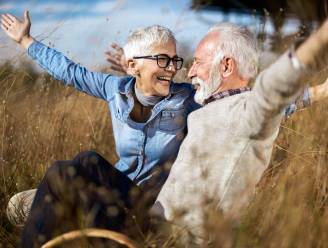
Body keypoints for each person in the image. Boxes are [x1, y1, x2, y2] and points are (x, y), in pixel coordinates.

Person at [4, 11, 321, 230]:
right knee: (26, 200)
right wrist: (27, 42)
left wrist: (317, 92)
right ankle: (53, 207)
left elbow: (258, 103)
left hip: (150, 206)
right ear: (133, 65)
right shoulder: (115, 89)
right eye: (163, 60)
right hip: (115, 187)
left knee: (73, 170)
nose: (175, 69)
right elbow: (70, 72)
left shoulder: (188, 100)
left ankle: (60, 207)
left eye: (177, 60)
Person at [153, 21, 328, 246]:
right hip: (155, 220)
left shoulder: (245, 111)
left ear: (226, 66)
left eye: (197, 62)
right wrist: (318, 92)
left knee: (91, 166)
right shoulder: (214, 107)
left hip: (179, 238)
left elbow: (271, 93)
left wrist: (320, 40)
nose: (191, 72)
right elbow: (276, 104)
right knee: (96, 169)